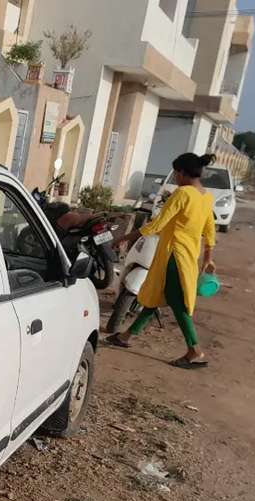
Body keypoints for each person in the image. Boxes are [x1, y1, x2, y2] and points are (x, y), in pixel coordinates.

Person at [106, 153, 218, 369]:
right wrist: (209, 257)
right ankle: (126, 336)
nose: (176, 177)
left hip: (173, 255)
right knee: (157, 297)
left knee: (178, 303)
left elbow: (156, 225)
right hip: (188, 256)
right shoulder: (206, 196)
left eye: (176, 173)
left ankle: (194, 349)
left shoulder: (183, 194)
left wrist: (124, 238)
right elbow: (209, 230)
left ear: (183, 172)